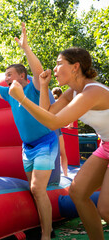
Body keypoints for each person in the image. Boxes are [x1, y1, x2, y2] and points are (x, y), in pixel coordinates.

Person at [8, 47, 109, 240]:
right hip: (106, 145)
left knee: (106, 209)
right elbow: (48, 112)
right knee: (77, 192)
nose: (54, 69)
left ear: (75, 67)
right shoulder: (73, 92)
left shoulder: (92, 92)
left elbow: (54, 123)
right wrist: (44, 86)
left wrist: (22, 99)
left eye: (59, 63)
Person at [0, 23, 58, 240]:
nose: (6, 78)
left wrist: (26, 48)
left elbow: (39, 72)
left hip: (46, 142)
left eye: (9, 75)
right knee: (34, 190)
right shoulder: (9, 93)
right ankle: (47, 227)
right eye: (5, 76)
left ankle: (46, 236)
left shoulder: (34, 87)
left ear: (22, 75)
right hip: (27, 148)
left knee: (38, 189)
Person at [51, 87, 68, 176]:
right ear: (61, 95)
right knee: (62, 153)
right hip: (57, 129)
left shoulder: (51, 102)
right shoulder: (61, 103)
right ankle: (65, 174)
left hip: (48, 129)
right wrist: (69, 125)